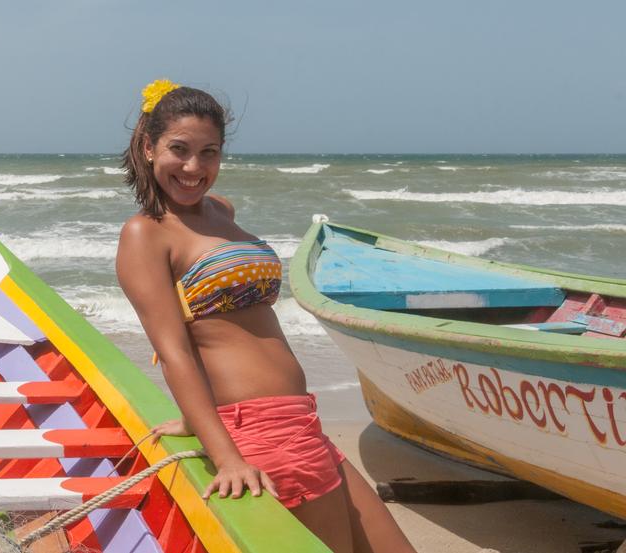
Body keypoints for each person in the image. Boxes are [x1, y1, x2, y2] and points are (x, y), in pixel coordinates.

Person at [115, 79, 415, 553]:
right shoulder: (145, 235)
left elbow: (233, 329)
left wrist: (195, 421)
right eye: (180, 149)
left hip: (300, 420)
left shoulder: (220, 210)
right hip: (260, 435)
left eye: (209, 152)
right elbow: (175, 354)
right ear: (150, 148)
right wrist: (226, 456)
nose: (194, 167)